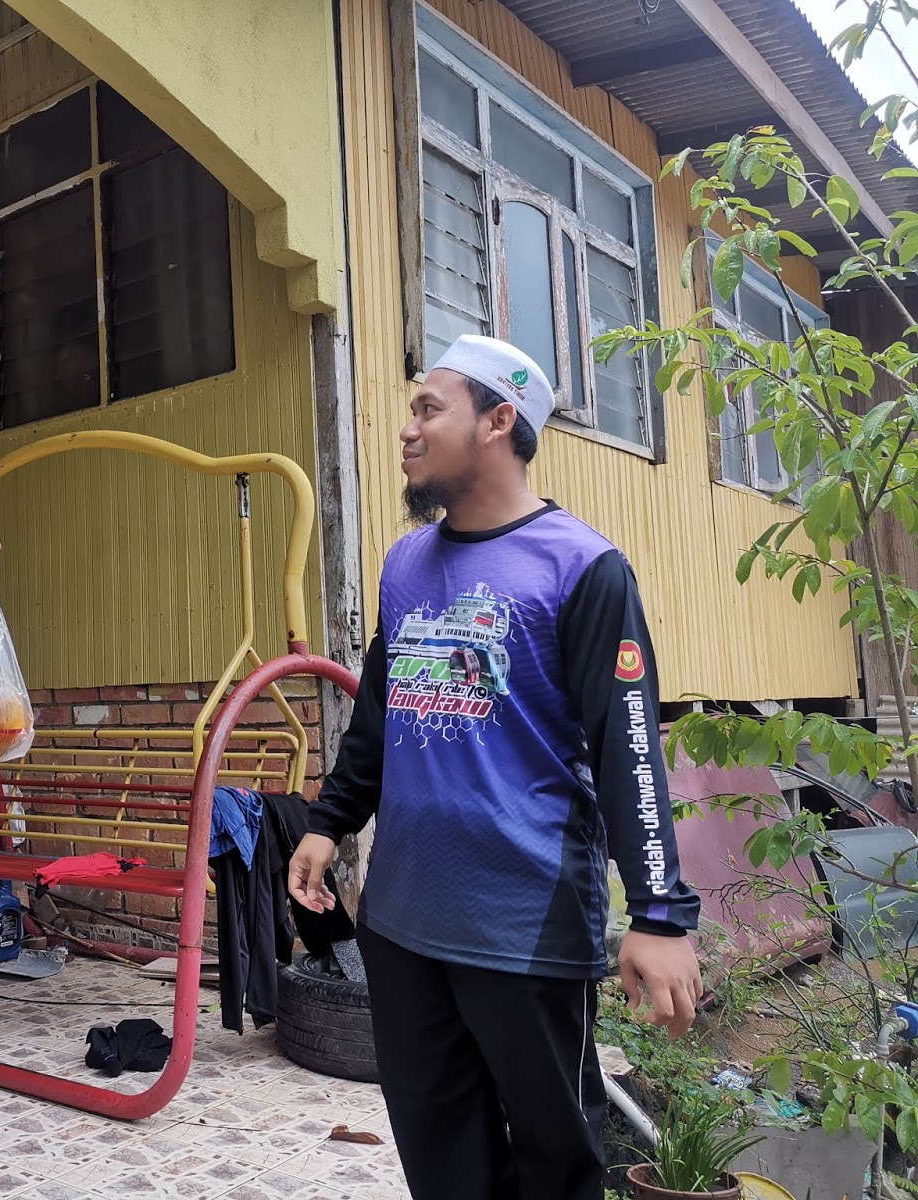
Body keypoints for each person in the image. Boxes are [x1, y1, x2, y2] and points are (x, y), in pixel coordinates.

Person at [287, 334, 702, 1200]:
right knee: (440, 1155)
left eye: (428, 408)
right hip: (402, 922)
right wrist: (330, 821)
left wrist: (659, 914)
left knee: (555, 1162)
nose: (407, 428)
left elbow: (628, 747)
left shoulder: (583, 567)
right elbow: (380, 712)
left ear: (498, 420)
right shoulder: (405, 563)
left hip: (524, 923)